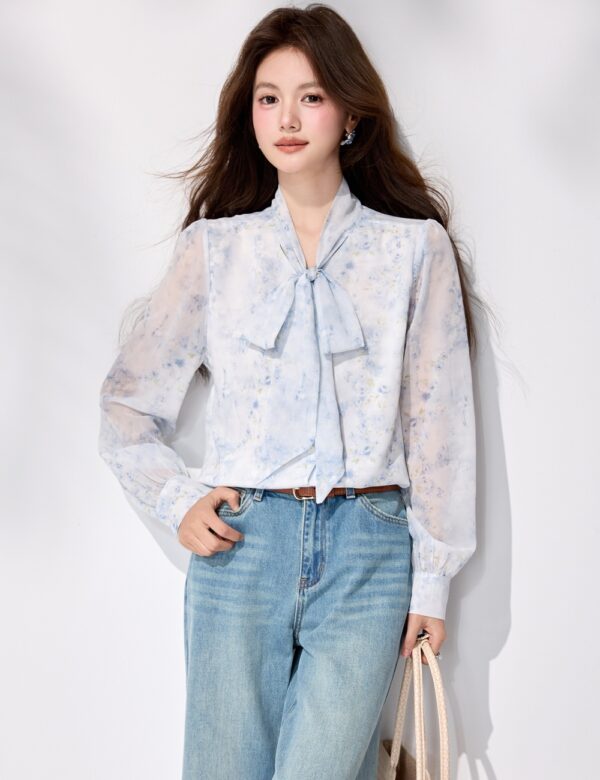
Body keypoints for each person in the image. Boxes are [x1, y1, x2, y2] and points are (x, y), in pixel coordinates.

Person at [98, 4, 481, 778]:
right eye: (268, 98)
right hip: (242, 547)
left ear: (349, 113)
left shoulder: (413, 250)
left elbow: (438, 425)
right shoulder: (215, 251)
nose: (288, 118)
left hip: (370, 549)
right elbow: (127, 406)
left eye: (311, 96)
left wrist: (432, 584)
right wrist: (177, 500)